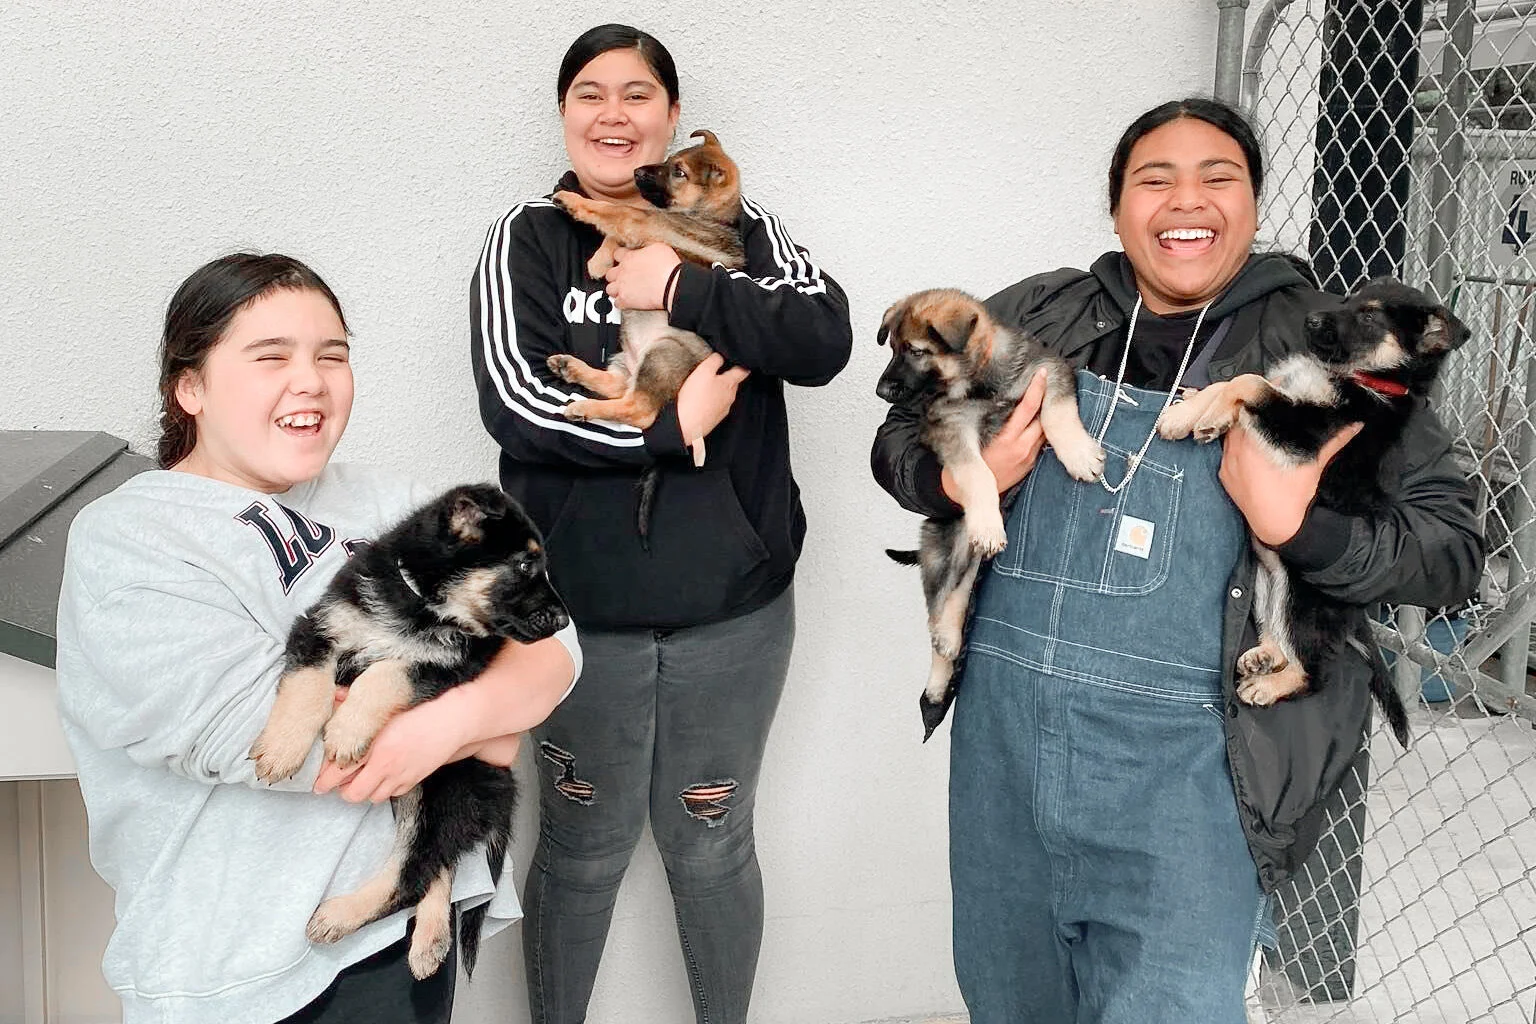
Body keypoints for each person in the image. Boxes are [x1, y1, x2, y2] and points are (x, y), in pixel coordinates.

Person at [871, 97, 1483, 1024]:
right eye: (1155, 179)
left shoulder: (1324, 342)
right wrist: (951, 478)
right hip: (1002, 762)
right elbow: (898, 428)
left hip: (1198, 783)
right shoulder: (1043, 311)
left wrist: (1301, 525)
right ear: (1118, 206)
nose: (1186, 201)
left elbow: (1452, 551)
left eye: (1217, 178)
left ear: (1254, 203)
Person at [54, 252, 581, 1024]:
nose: (311, 381)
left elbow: (555, 643)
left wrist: (463, 721)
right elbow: (262, 740)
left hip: (396, 930)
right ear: (189, 386)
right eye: (271, 357)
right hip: (240, 971)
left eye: (332, 356)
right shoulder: (133, 536)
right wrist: (492, 723)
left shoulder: (392, 501)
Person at [469, 23, 852, 1024]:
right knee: (581, 847)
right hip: (575, 613)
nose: (614, 114)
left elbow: (822, 339)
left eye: (637, 94)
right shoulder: (528, 237)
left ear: (672, 115)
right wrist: (664, 431)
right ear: (564, 113)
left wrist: (680, 285)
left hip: (733, 608)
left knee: (711, 843)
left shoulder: (740, 224)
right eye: (590, 94)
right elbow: (516, 403)